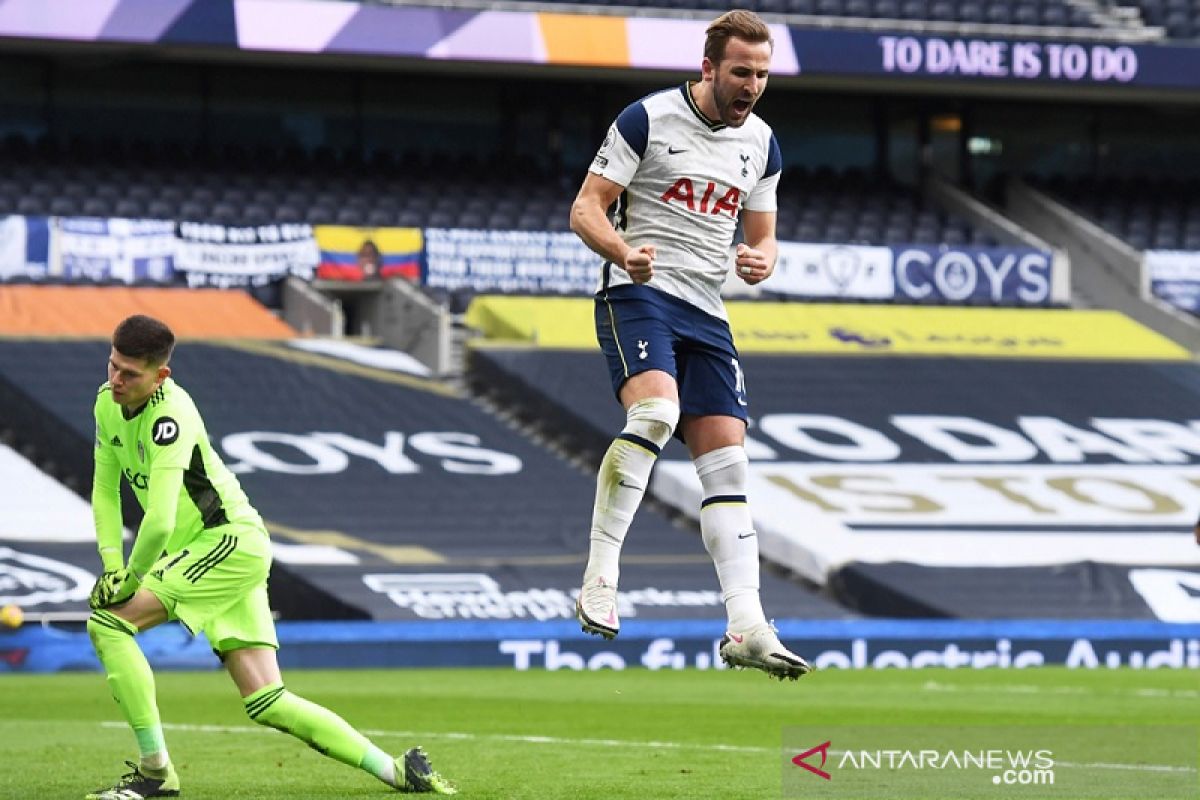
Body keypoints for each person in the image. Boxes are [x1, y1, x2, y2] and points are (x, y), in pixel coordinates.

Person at [85, 314, 456, 798]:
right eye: (113, 365)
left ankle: (156, 773)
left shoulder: (171, 416)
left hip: (225, 543)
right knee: (267, 701)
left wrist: (130, 578)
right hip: (220, 551)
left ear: (161, 376)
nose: (116, 379)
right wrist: (111, 562)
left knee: (109, 624)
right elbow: (105, 491)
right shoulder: (105, 405)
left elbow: (156, 519)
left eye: (129, 373)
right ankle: (399, 771)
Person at [568, 10, 811, 681]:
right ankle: (601, 577)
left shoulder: (762, 142)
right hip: (637, 291)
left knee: (730, 468)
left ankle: (746, 626)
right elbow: (586, 206)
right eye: (742, 72)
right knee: (654, 415)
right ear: (709, 68)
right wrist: (623, 250)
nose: (753, 85)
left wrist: (762, 257)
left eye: (762, 74)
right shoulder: (646, 119)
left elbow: (763, 236)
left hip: (708, 308)